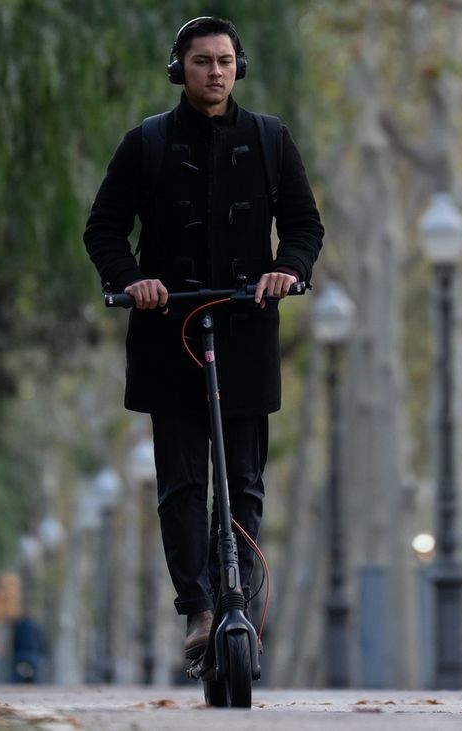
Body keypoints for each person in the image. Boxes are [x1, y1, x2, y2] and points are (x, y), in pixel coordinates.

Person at [83, 16, 323, 662]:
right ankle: (197, 604)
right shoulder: (149, 144)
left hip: (247, 331)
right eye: (201, 62)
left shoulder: (271, 141)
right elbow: (103, 228)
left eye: (223, 61)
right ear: (179, 70)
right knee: (183, 483)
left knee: (243, 480)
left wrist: (288, 269)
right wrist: (134, 280)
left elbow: (304, 226)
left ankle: (236, 592)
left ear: (238, 67)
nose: (214, 72)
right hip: (170, 336)